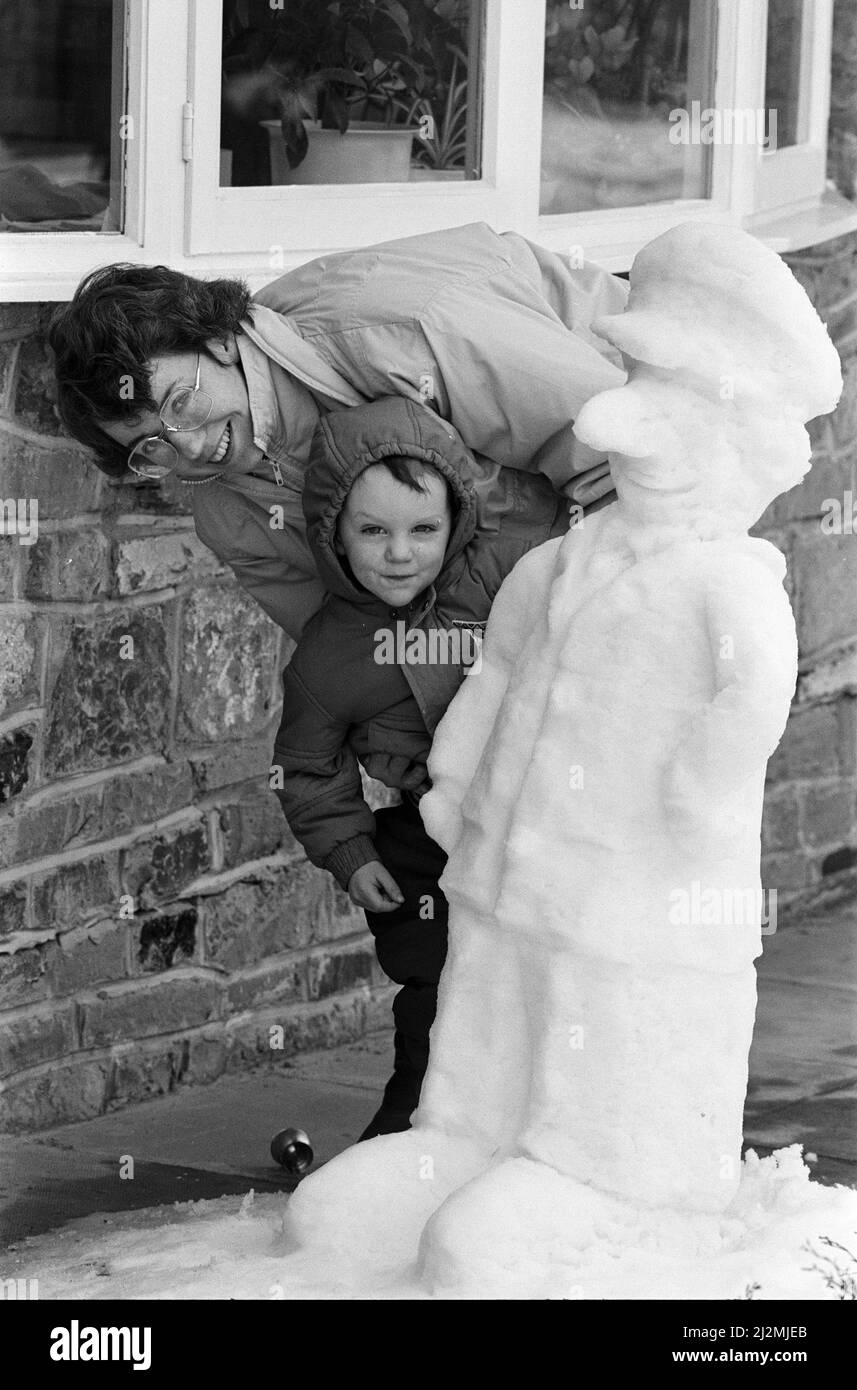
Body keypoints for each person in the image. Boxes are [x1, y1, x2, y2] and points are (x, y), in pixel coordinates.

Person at [48, 221, 628, 644]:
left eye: (182, 400)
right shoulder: (224, 513)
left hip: (674, 446)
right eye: (151, 445)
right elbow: (342, 643)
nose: (190, 446)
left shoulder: (402, 331)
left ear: (219, 341)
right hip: (526, 606)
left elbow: (623, 461)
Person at [271, 394, 568, 1139]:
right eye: (371, 531)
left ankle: (546, 1125)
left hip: (533, 814)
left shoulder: (503, 568)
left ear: (457, 521)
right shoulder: (330, 652)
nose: (398, 553)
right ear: (331, 533)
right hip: (419, 833)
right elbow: (307, 766)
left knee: (544, 971)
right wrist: (348, 849)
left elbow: (565, 521)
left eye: (422, 529)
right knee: (432, 981)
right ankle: (414, 1130)